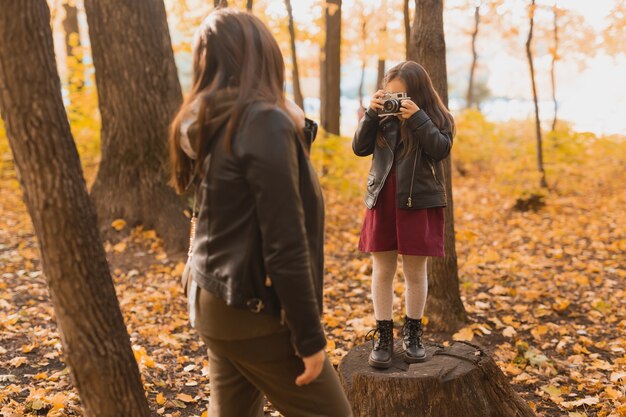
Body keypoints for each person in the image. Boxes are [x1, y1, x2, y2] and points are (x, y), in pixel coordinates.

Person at [169, 9, 352, 417]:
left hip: (212, 298)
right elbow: (285, 242)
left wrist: (294, 126)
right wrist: (309, 339)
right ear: (263, 55)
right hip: (250, 310)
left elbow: (225, 203)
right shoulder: (262, 122)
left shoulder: (215, 119)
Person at [352, 61, 455, 369]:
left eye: (402, 95)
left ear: (418, 92)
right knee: (382, 270)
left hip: (418, 201)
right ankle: (384, 335)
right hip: (383, 198)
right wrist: (372, 113)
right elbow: (359, 148)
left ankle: (413, 333)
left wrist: (419, 118)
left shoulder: (438, 117)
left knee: (414, 272)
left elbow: (440, 150)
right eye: (390, 95)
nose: (396, 102)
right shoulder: (381, 117)